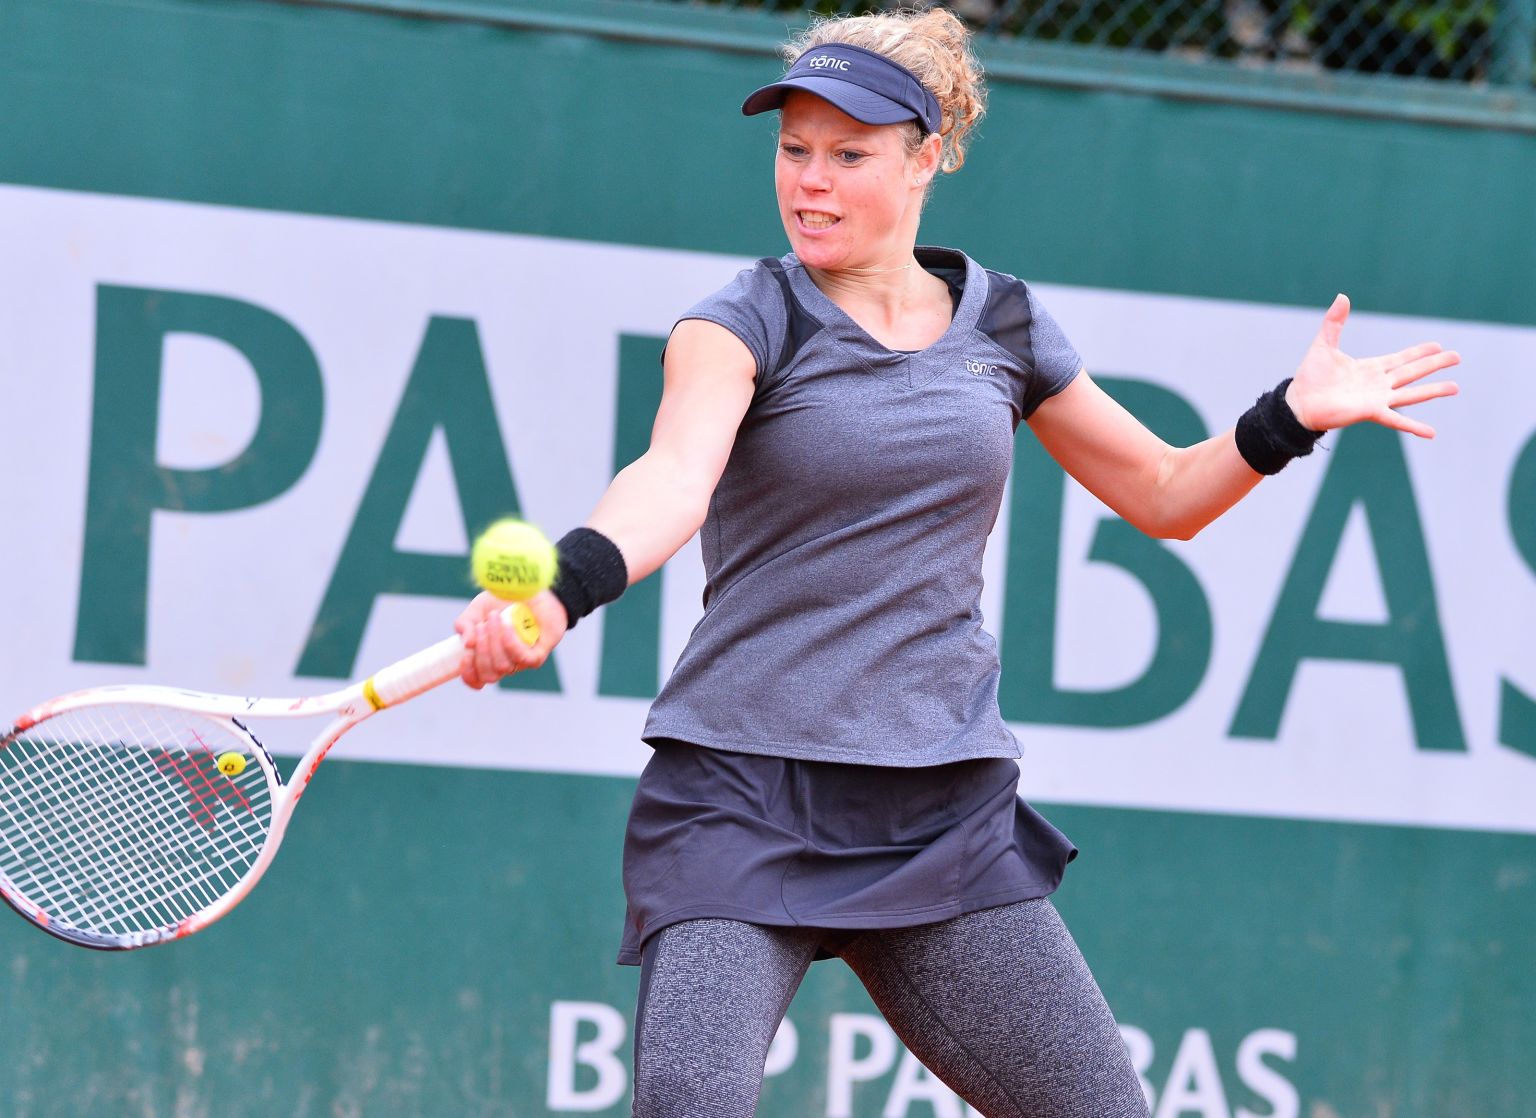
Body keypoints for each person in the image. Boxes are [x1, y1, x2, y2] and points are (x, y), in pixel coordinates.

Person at [456, 9, 1459, 1116]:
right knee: (689, 1100)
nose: (812, 184)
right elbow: (672, 478)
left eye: (851, 155)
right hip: (739, 793)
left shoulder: (1005, 324)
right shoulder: (742, 319)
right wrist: (565, 581)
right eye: (794, 150)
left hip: (934, 808)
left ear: (927, 155)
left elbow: (1166, 495)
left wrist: (1289, 417)